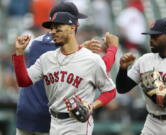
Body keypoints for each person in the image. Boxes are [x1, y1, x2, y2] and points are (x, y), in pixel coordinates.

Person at [16, 2, 118, 135]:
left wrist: (81, 49)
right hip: (49, 117)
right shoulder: (54, 51)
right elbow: (96, 67)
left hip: (28, 113)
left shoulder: (37, 43)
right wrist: (112, 50)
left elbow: (89, 66)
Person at [116, 18, 166, 135]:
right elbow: (122, 88)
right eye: (150, 37)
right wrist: (123, 69)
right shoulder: (144, 60)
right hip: (152, 122)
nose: (151, 40)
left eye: (156, 37)